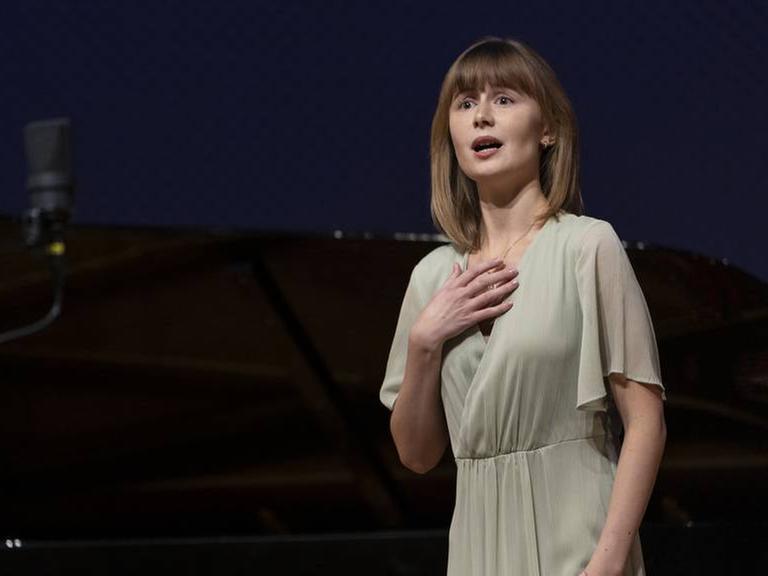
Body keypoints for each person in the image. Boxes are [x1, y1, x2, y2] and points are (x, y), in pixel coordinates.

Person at [379, 36, 667, 576]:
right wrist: (423, 345)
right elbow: (417, 457)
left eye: (504, 99)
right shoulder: (433, 277)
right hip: (477, 545)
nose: (482, 116)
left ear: (548, 129)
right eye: (465, 105)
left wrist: (606, 564)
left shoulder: (588, 246)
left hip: (579, 537)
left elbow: (645, 422)